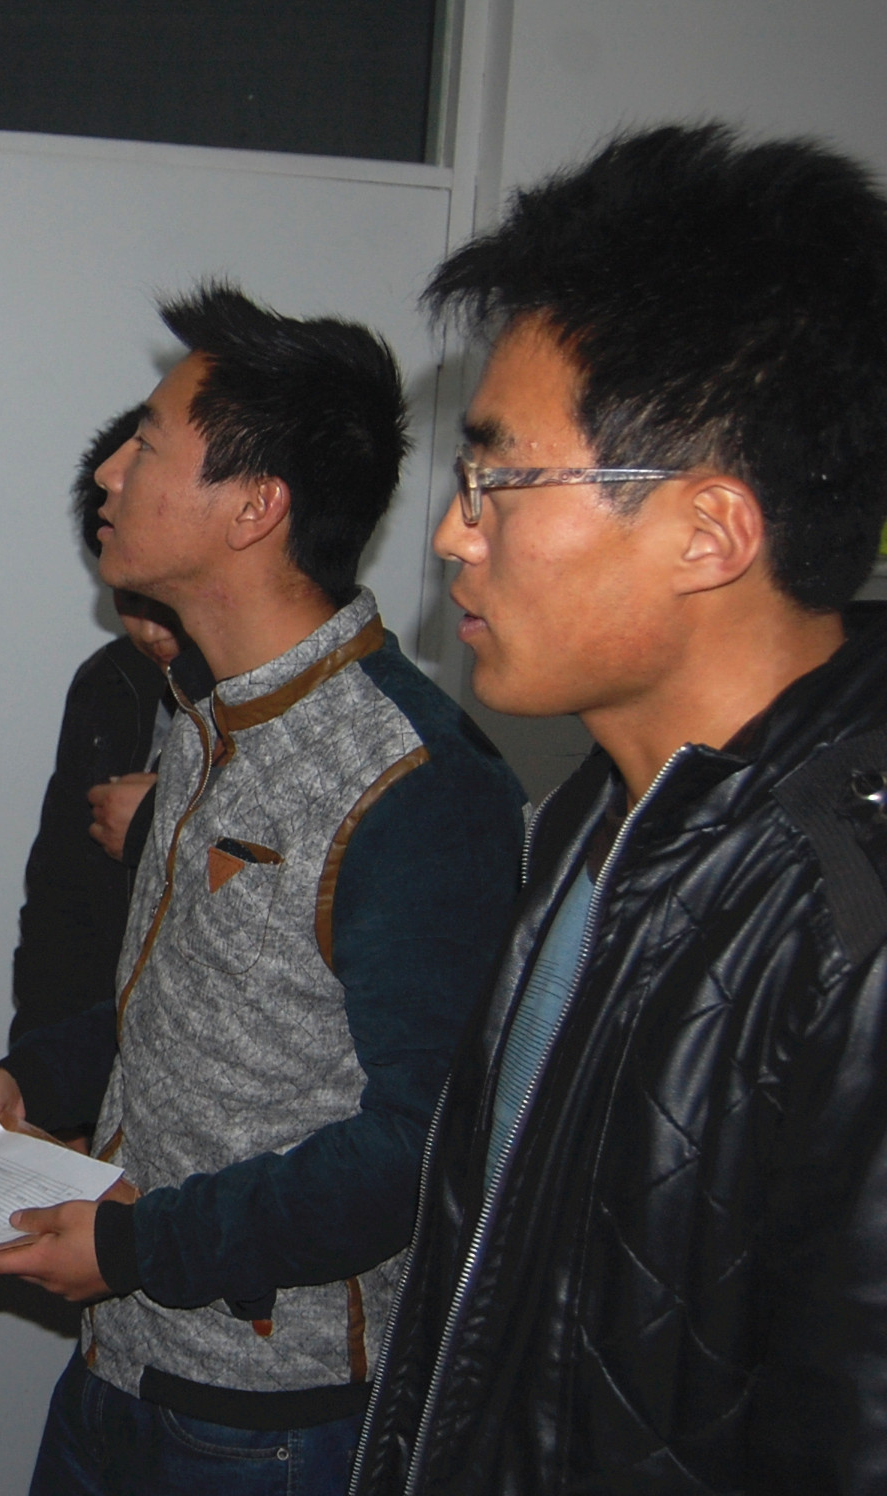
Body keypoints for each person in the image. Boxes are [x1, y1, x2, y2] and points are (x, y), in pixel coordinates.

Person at [350, 124, 887, 1495]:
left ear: (709, 531)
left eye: (496, 479)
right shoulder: (596, 825)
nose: (453, 534)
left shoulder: (850, 926)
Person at [0, 284, 527, 1495]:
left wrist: (134, 1242)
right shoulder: (207, 720)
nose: (110, 473)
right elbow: (187, 1004)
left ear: (256, 506)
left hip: (270, 1422)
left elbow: (417, 1149)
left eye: (148, 445)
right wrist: (33, 1076)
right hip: (118, 1359)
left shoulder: (414, 780)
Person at [11, 409, 213, 1043]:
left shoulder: (266, 699)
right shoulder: (107, 681)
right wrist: (34, 1065)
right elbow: (55, 894)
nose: (151, 632)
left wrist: (158, 824)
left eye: (166, 600)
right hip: (92, 1043)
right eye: (130, 600)